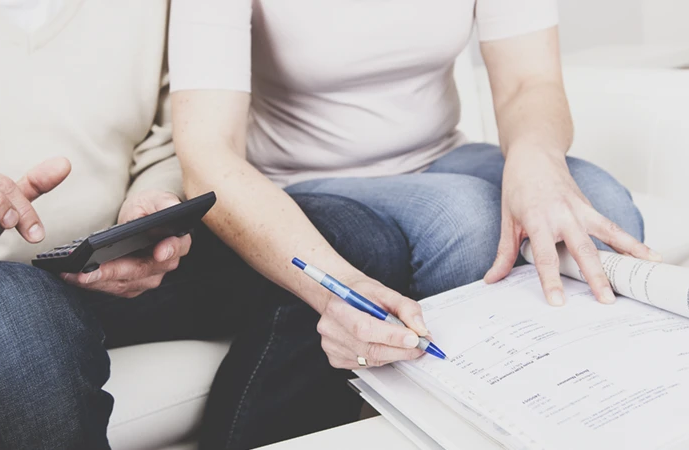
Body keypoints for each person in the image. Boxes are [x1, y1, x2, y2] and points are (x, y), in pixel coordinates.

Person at [0, 1, 415, 449]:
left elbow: (162, 141)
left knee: (351, 243)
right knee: (10, 319)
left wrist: (148, 210)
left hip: (95, 260)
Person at [169, 0, 660, 389]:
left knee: (599, 203)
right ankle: (474, 404)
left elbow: (528, 82)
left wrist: (536, 162)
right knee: (467, 221)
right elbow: (209, 154)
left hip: (441, 153)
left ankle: (584, 398)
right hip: (307, 178)